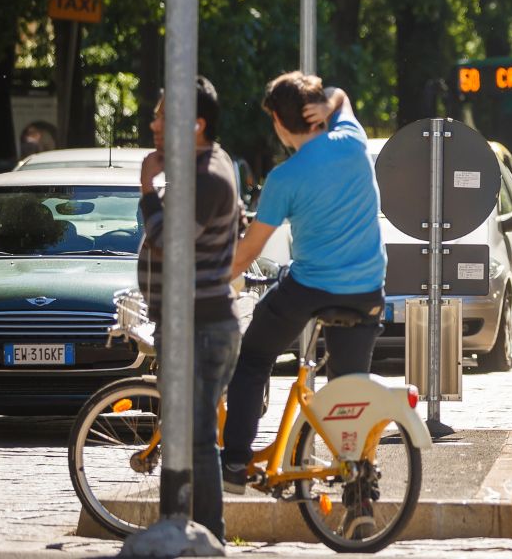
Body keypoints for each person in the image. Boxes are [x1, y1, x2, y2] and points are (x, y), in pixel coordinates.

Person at [221, 73, 385, 491]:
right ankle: (358, 482)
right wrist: (330, 104)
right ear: (316, 115)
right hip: (366, 287)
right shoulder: (351, 140)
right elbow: (343, 93)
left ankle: (236, 464)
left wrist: (209, 280)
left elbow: (249, 251)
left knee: (254, 357)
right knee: (349, 387)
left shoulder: (285, 178)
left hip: (309, 287)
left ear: (278, 121)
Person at [136, 76, 243, 541]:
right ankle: (185, 531)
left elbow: (168, 243)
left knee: (195, 439)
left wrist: (146, 186)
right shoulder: (200, 166)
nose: (154, 123)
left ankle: (205, 537)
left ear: (196, 125)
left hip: (199, 326)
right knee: (187, 434)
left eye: (164, 115)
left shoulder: (207, 177)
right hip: (192, 324)